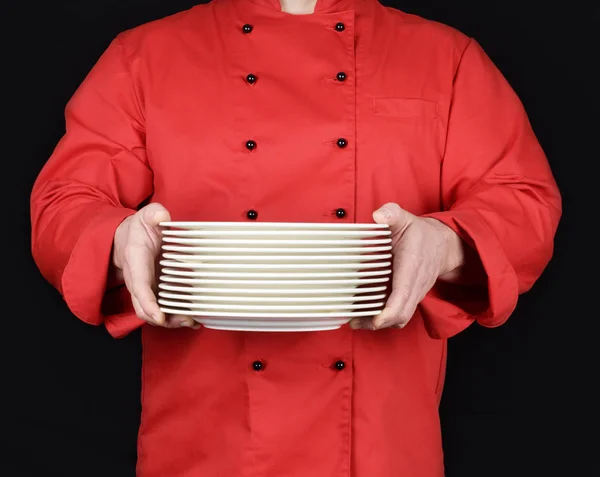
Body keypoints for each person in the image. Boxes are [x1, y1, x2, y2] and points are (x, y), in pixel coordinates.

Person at [29, 0, 562, 475]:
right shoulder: (143, 56)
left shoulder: (446, 58)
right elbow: (64, 203)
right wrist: (120, 241)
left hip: (381, 450)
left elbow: (523, 203)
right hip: (203, 447)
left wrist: (447, 245)